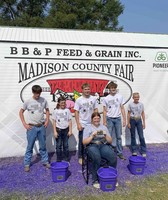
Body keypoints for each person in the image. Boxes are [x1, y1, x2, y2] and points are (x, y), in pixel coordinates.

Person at [19, 85, 50, 172]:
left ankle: (45, 161)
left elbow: (47, 110)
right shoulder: (28, 101)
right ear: (33, 92)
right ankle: (27, 164)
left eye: (39, 93)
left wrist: (47, 120)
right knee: (30, 146)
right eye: (36, 93)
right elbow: (21, 112)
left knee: (43, 146)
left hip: (41, 126)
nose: (38, 95)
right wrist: (24, 124)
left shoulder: (43, 100)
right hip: (31, 127)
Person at [83, 112, 117, 188]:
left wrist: (105, 135)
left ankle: (110, 175)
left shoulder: (104, 127)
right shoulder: (88, 128)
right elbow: (84, 142)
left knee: (113, 157)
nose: (96, 120)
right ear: (92, 119)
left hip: (102, 144)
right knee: (96, 157)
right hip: (92, 145)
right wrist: (92, 135)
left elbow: (110, 141)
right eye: (95, 118)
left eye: (98, 118)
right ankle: (95, 179)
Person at [74, 83, 98, 165]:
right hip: (83, 124)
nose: (87, 91)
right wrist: (78, 124)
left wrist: (96, 122)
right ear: (82, 90)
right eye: (85, 89)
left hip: (91, 125)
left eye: (88, 89)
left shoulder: (94, 99)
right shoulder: (79, 100)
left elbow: (96, 110)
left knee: (91, 141)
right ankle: (81, 157)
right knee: (82, 141)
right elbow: (76, 112)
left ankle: (90, 155)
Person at [102, 81, 126, 160]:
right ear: (109, 89)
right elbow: (104, 110)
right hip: (109, 119)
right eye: (111, 88)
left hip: (118, 119)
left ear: (116, 88)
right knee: (109, 137)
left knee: (118, 137)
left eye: (114, 88)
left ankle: (119, 153)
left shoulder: (120, 97)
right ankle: (108, 152)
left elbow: (122, 108)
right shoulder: (106, 98)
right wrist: (104, 121)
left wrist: (124, 119)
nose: (113, 89)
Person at [52, 96, 72, 162]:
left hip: (66, 130)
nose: (63, 104)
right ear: (58, 103)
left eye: (64, 102)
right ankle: (59, 159)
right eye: (61, 103)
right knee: (58, 145)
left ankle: (66, 159)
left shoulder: (67, 110)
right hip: (58, 130)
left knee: (66, 145)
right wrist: (54, 131)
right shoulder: (55, 111)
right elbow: (54, 121)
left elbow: (70, 120)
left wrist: (70, 130)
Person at [127, 92, 147, 157]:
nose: (136, 98)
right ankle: (134, 150)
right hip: (132, 120)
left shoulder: (141, 104)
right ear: (133, 98)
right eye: (135, 97)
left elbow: (143, 113)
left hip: (139, 120)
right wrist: (128, 122)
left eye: (137, 97)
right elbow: (129, 114)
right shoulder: (130, 104)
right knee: (133, 136)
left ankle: (143, 150)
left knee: (141, 136)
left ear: (139, 97)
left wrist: (144, 122)